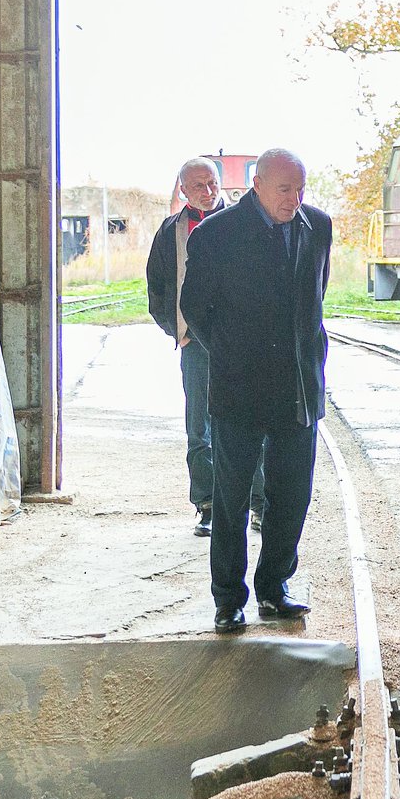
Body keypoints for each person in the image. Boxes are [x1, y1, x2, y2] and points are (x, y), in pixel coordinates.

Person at [179, 148, 332, 634]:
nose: (294, 200)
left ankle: (274, 588)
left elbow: (315, 297)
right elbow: (194, 307)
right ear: (257, 185)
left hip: (298, 386)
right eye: (285, 190)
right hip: (239, 388)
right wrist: (232, 352)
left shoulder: (317, 226)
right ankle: (228, 599)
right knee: (232, 499)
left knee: (292, 495)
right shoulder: (216, 234)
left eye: (300, 190)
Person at [146, 157, 263, 538]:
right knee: (200, 428)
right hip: (195, 342)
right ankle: (208, 505)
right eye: (198, 185)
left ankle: (259, 504)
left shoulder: (245, 222)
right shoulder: (170, 231)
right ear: (183, 190)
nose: (208, 191)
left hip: (242, 344)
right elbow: (157, 287)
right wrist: (177, 331)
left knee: (253, 422)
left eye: (212, 183)